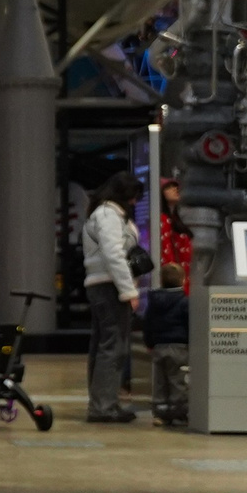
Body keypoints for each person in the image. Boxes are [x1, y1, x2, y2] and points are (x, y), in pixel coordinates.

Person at [81, 171, 145, 423]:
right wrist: (128, 290)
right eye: (133, 197)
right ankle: (104, 406)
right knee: (113, 347)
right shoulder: (108, 215)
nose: (134, 203)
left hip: (102, 286)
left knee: (102, 345)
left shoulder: (102, 214)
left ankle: (101, 402)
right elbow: (113, 254)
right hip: (110, 287)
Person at [144, 263, 192, 426]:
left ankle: (160, 413)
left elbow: (148, 323)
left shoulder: (154, 302)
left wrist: (149, 342)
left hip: (159, 346)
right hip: (179, 346)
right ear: (183, 280)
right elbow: (189, 324)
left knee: (159, 381)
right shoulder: (185, 302)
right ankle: (179, 412)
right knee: (178, 380)